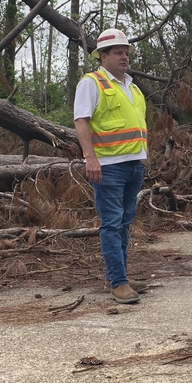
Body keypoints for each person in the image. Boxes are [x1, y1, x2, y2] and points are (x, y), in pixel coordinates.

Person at [74, 28, 150, 305]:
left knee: (125, 222)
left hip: (133, 164)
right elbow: (81, 121)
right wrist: (89, 157)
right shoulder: (92, 83)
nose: (124, 57)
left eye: (126, 53)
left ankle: (118, 277)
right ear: (103, 56)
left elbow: (139, 125)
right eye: (118, 52)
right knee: (111, 223)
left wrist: (143, 155)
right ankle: (117, 283)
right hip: (108, 165)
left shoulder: (132, 87)